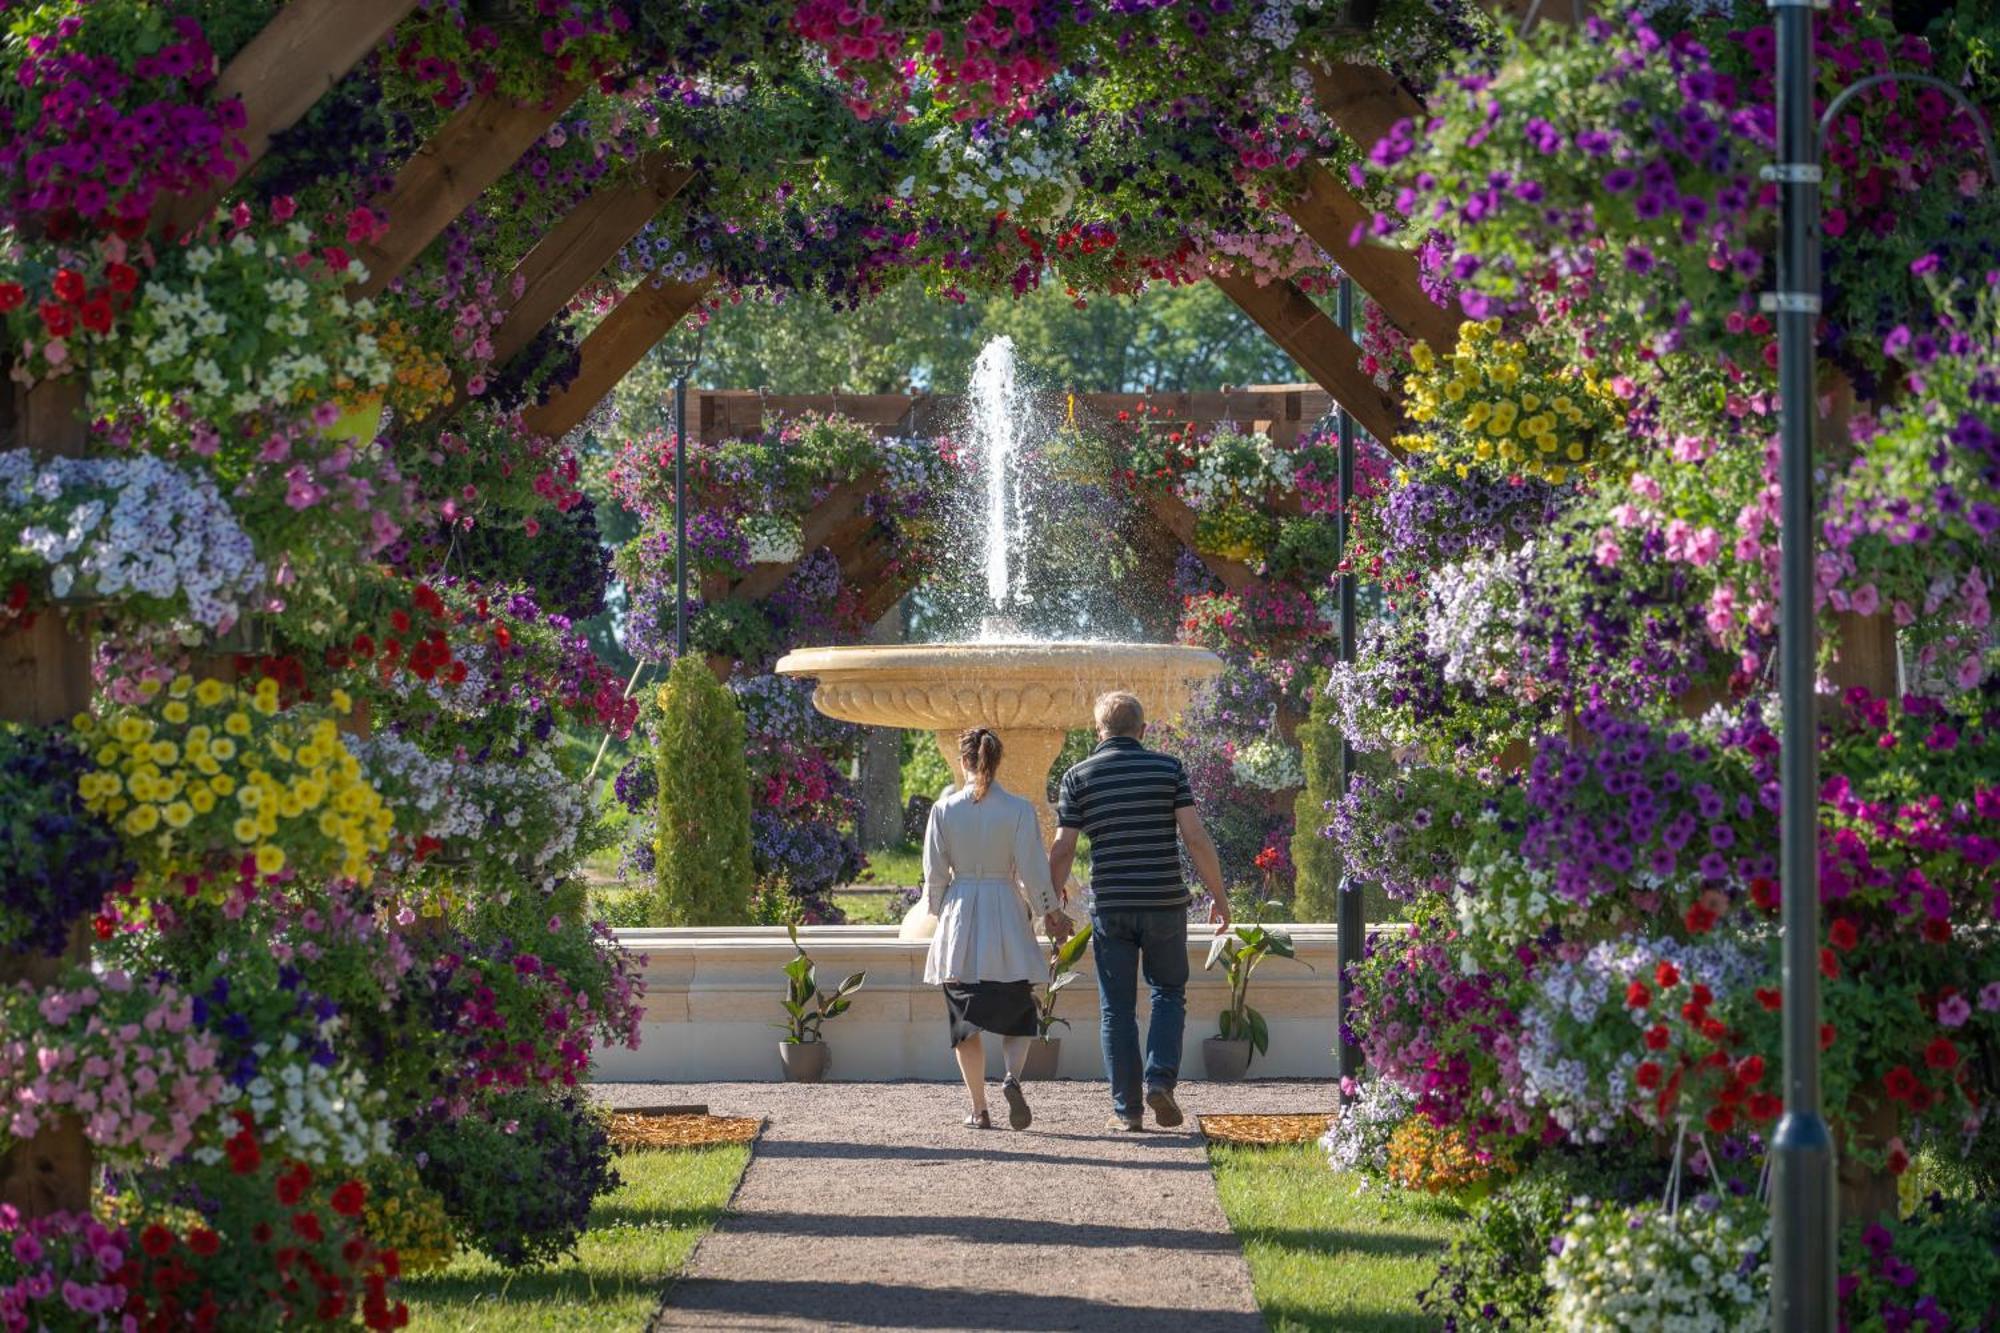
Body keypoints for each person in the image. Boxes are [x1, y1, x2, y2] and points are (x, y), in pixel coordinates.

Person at [1050, 691, 1227, 1133]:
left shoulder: (1078, 776)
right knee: (1169, 993)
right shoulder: (1168, 768)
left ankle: (1127, 1111)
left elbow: (1063, 848)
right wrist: (1219, 896)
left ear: (1098, 732)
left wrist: (1051, 904)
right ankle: (1160, 1079)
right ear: (1142, 731)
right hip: (1165, 902)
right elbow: (1196, 838)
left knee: (1116, 1009)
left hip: (1112, 905)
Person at [921, 727, 1073, 1130]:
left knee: (964, 1018)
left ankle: (979, 1108)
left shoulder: (944, 810)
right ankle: (1011, 1077)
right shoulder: (1020, 809)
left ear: (963, 761)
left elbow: (934, 877)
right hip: (1005, 910)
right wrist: (1050, 913)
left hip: (961, 911)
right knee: (1017, 1007)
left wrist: (941, 912)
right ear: (998, 760)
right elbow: (1034, 873)